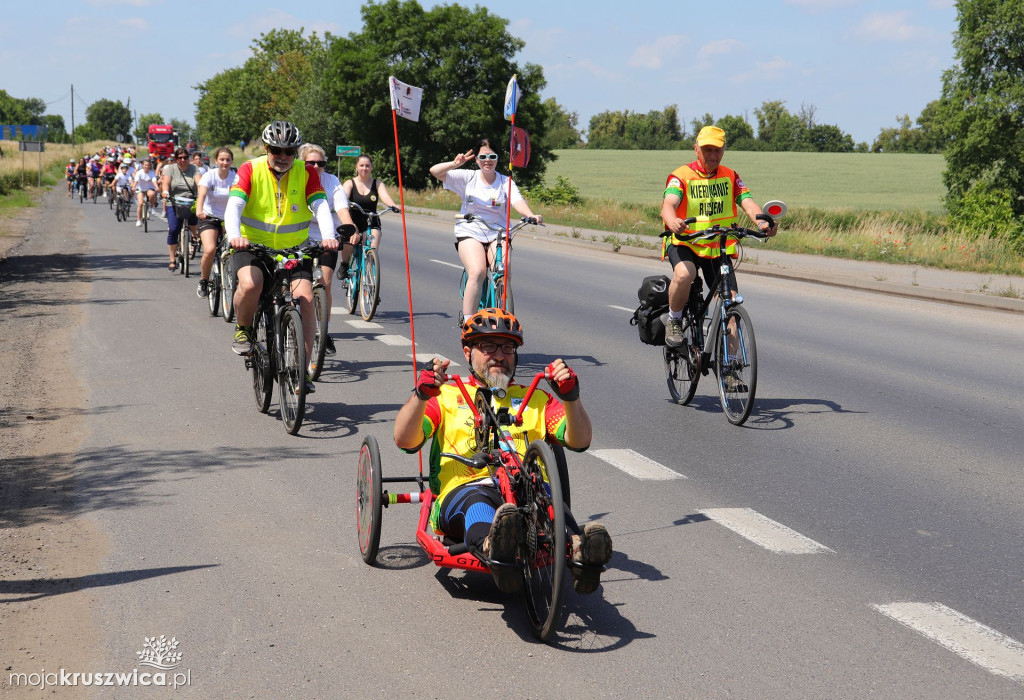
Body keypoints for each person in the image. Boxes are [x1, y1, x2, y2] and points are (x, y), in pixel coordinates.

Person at [393, 308, 612, 594]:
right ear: (468, 351)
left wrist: (571, 398)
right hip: (466, 489)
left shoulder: (536, 398)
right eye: (488, 346)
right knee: (477, 501)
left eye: (508, 347)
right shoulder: (446, 395)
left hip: (527, 491)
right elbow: (405, 440)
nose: (499, 355)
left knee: (547, 499)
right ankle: (494, 545)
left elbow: (579, 440)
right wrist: (421, 395)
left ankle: (579, 548)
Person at [224, 120, 342, 393]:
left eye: (289, 151)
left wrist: (328, 235)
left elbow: (321, 205)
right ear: (266, 148)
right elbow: (234, 206)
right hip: (252, 246)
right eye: (276, 150)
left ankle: (303, 370)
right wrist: (234, 236)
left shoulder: (307, 171)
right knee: (251, 285)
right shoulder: (250, 169)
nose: (283, 156)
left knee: (307, 298)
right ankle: (244, 328)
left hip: (294, 248)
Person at [660, 126, 778, 369]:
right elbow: (668, 204)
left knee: (730, 302)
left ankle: (731, 367)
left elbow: (748, 203)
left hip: (717, 247)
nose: (713, 155)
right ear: (696, 150)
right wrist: (673, 222)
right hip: (686, 242)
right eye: (707, 150)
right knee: (685, 274)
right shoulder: (680, 176)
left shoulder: (730, 176)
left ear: (724, 150)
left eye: (717, 150)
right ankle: (674, 319)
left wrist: (762, 221)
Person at [429, 138, 542, 324]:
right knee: (477, 271)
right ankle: (468, 322)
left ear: (497, 159)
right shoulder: (468, 177)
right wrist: (455, 164)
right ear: (476, 159)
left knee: (503, 272)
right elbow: (435, 171)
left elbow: (517, 201)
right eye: (483, 156)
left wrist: (531, 215)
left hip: (498, 232)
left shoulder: (506, 181)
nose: (487, 160)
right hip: (470, 230)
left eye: (492, 156)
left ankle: (503, 316)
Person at [296, 143, 357, 366]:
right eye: (310, 163)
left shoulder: (332, 182)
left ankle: (323, 330)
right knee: (288, 282)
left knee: (324, 283)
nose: (315, 167)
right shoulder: (295, 178)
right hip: (298, 235)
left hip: (326, 236)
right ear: (302, 163)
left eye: (320, 163)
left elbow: (342, 210)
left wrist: (350, 227)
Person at [337, 154, 398, 280]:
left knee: (372, 249)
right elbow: (343, 197)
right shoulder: (350, 183)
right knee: (350, 238)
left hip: (372, 220)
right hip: (354, 220)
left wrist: (393, 205)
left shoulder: (377, 183)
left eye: (367, 166)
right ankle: (344, 264)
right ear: (356, 167)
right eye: (361, 165)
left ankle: (370, 285)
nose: (364, 168)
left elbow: (385, 197)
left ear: (371, 167)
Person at [194, 147, 237, 298]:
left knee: (236, 250)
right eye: (222, 159)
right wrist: (200, 211)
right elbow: (202, 195)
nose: (225, 162)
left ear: (232, 161)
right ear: (216, 161)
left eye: (228, 160)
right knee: (210, 249)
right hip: (209, 217)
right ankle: (204, 280)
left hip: (229, 219)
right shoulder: (209, 176)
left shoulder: (235, 177)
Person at [160, 147, 200, 272]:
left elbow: (199, 181)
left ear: (189, 158)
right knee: (173, 229)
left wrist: (202, 190)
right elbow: (166, 182)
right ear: (176, 159)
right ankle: (172, 259)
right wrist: (165, 191)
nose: (183, 160)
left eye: (185, 157)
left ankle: (193, 236)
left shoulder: (194, 169)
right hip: (174, 201)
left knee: (194, 220)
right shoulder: (170, 169)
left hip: (191, 200)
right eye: (180, 158)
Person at [132, 158, 159, 227]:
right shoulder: (139, 172)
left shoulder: (151, 173)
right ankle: (138, 220)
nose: (147, 166)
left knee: (152, 194)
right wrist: (134, 187)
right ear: (142, 165)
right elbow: (136, 181)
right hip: (141, 189)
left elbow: (154, 181)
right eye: (145, 165)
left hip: (149, 188)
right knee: (140, 204)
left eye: (148, 165)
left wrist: (156, 187)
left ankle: (151, 207)